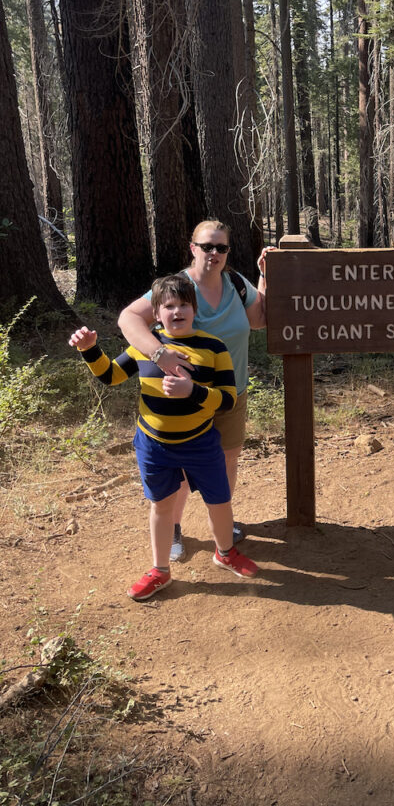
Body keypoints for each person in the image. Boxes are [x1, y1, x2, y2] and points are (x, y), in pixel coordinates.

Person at [69, 274, 260, 601]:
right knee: (161, 505)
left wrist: (194, 391)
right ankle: (160, 570)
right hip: (154, 446)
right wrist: (90, 350)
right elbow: (111, 376)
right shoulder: (145, 347)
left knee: (219, 500)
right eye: (168, 306)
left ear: (194, 309)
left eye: (183, 304)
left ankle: (225, 552)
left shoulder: (213, 348)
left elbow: (228, 398)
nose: (176, 311)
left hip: (201, 443)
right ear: (156, 314)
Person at [118, 220, 269, 563]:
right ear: (192, 248)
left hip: (231, 390)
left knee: (227, 459)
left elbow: (259, 319)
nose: (213, 254)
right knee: (182, 473)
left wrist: (265, 275)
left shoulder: (235, 283)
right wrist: (159, 353)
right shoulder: (179, 288)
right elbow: (128, 318)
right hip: (180, 399)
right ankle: (173, 529)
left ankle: (223, 528)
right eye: (206, 246)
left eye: (221, 248)